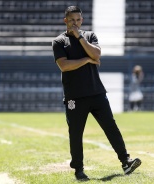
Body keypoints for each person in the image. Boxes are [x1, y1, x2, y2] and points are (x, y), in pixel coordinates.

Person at [52, 6, 141, 180]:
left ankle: (126, 162)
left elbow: (97, 54)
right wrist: (86, 60)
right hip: (75, 96)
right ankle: (79, 170)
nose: (75, 23)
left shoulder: (89, 36)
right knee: (76, 133)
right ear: (65, 21)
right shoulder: (59, 41)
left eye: (78, 20)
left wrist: (80, 38)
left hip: (96, 92)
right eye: (72, 20)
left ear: (82, 20)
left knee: (111, 126)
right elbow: (64, 66)